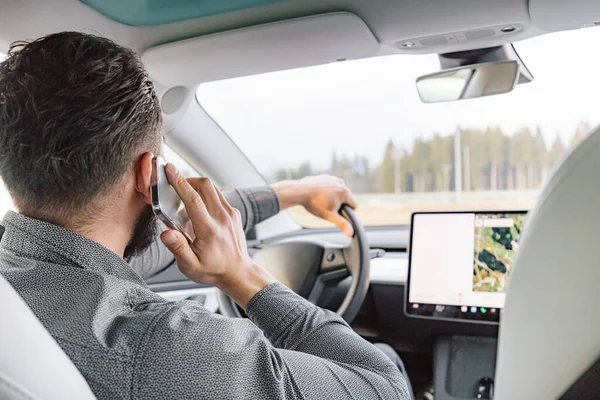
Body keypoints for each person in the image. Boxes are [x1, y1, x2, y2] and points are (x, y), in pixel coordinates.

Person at [0, 32, 411, 399]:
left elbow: (134, 254)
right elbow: (384, 386)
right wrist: (242, 275)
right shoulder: (160, 348)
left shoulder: (21, 277)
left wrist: (290, 194)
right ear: (150, 176)